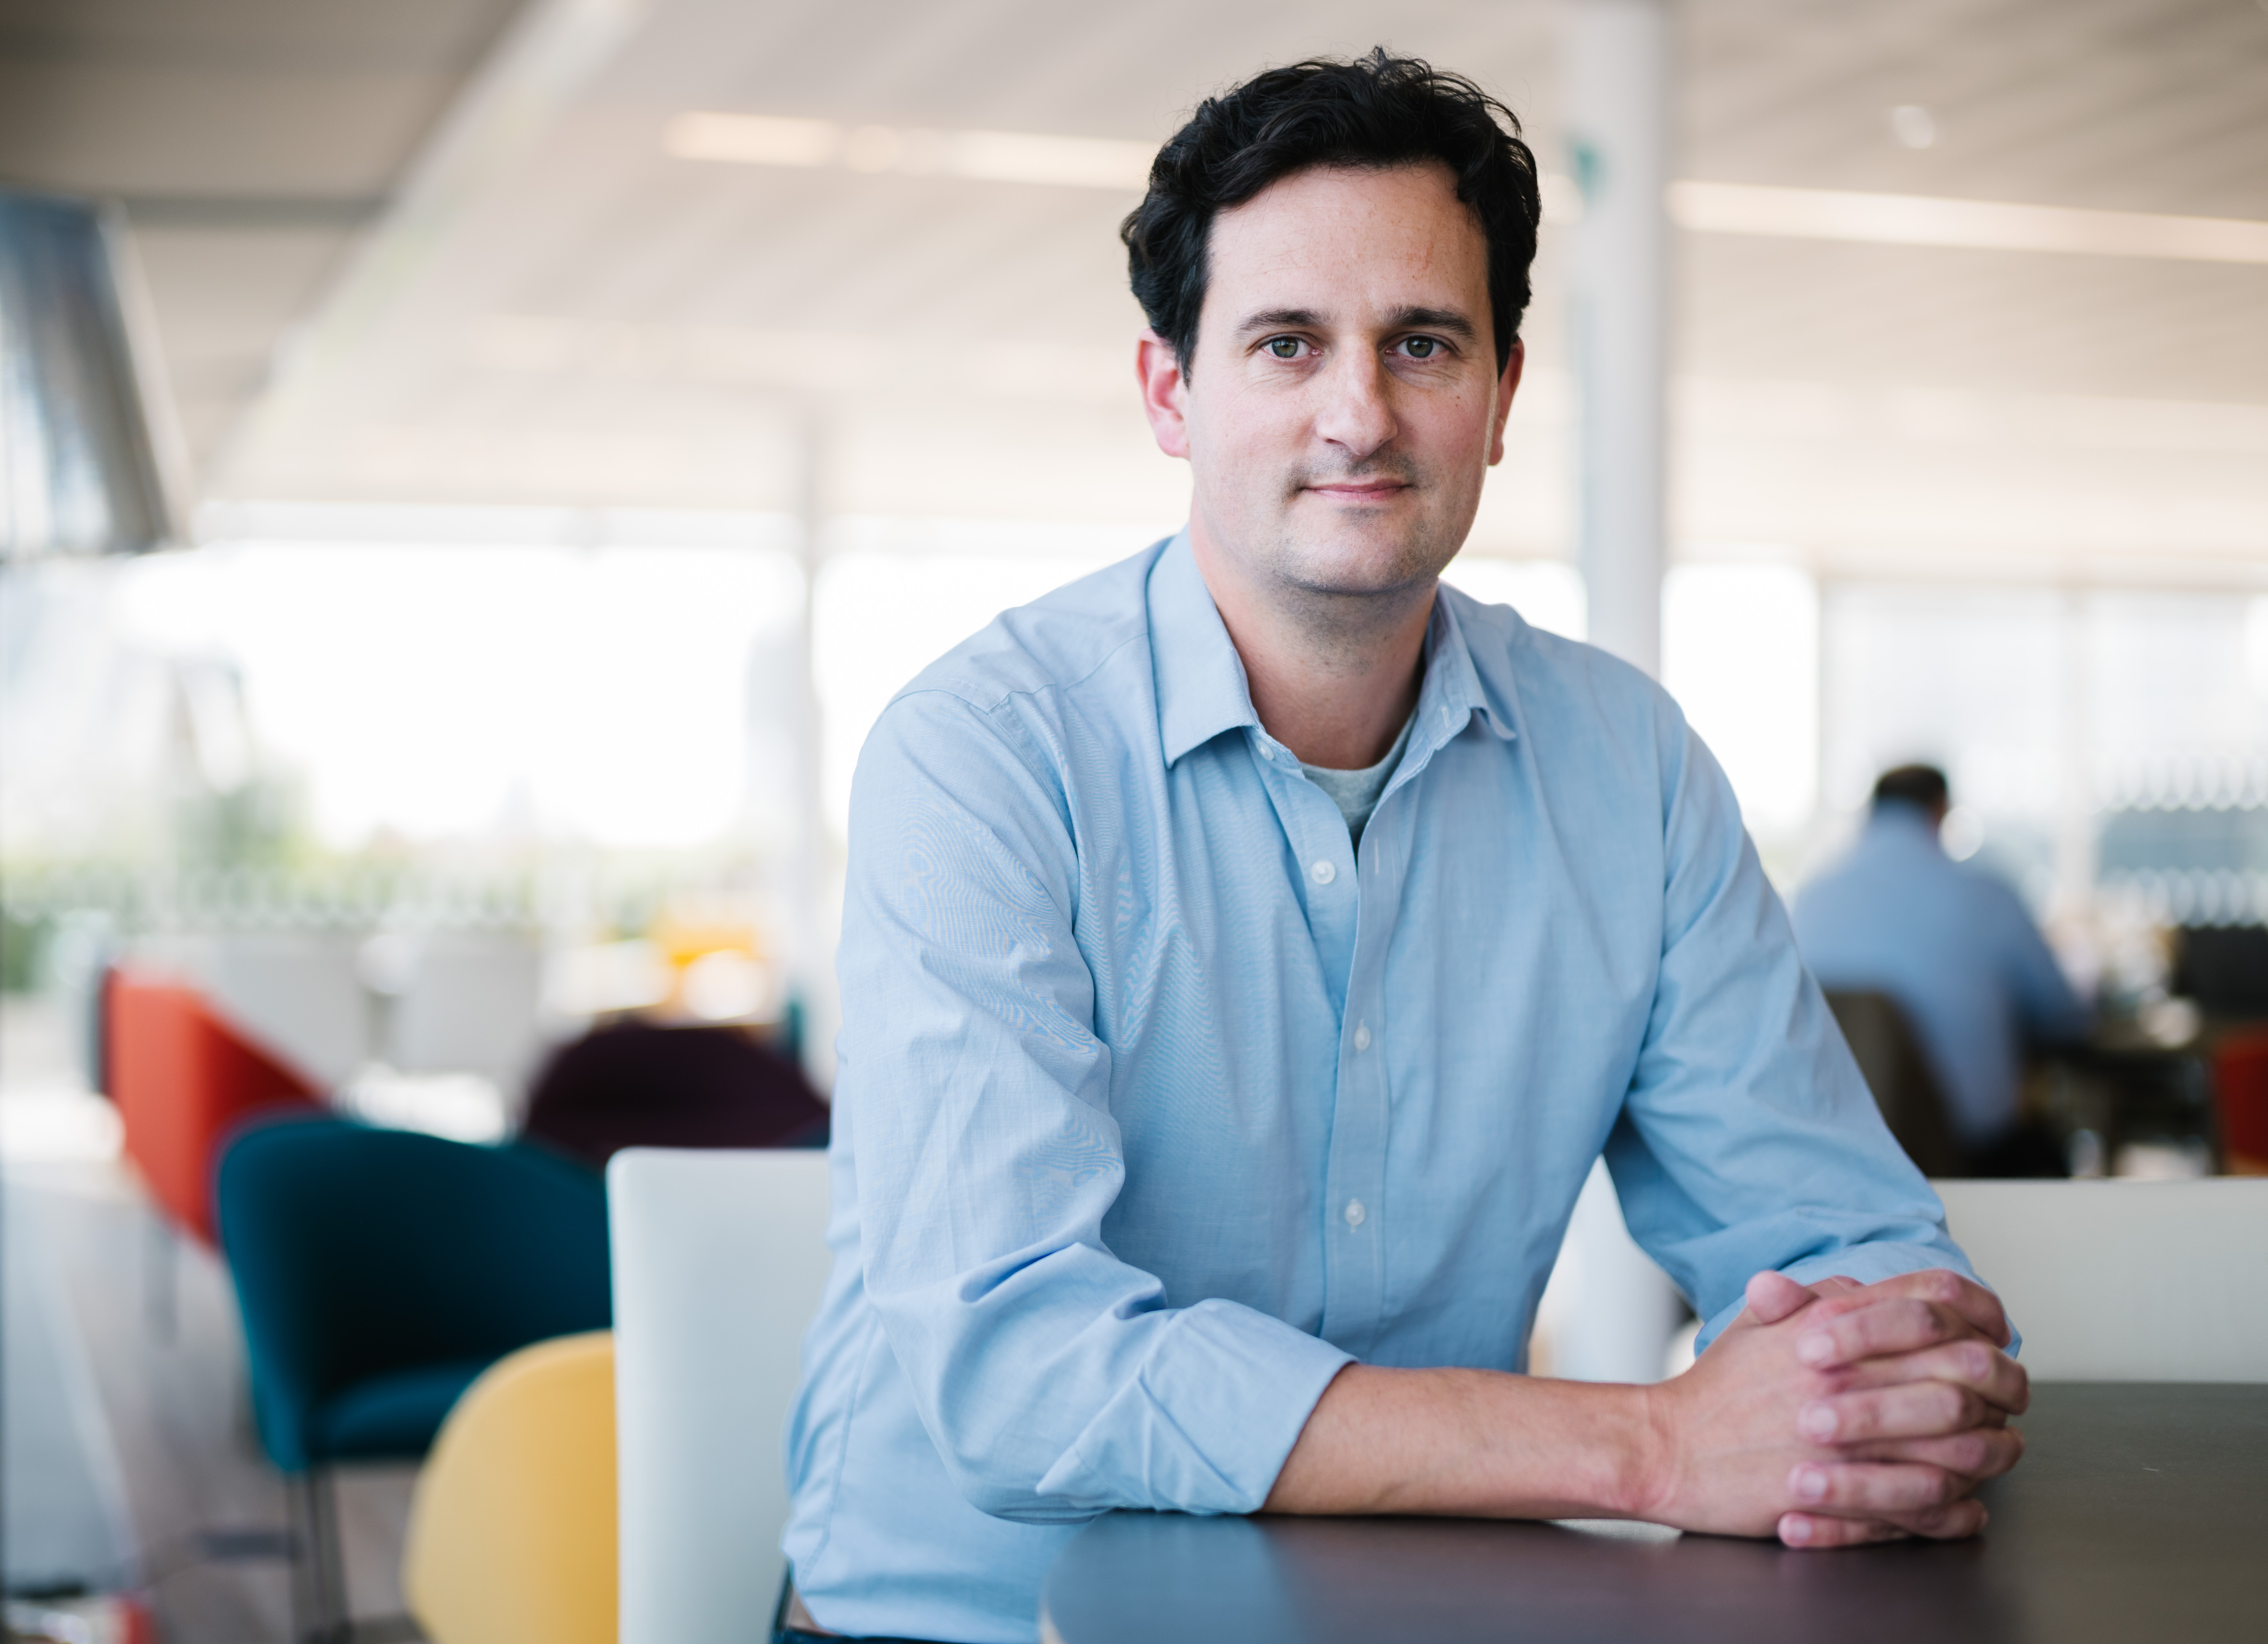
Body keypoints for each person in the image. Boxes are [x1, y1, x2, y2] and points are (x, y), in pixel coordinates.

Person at [780, 53, 2026, 1644]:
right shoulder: (985, 755)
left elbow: (1850, 1243)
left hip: (1420, 1611)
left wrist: (1870, 1390)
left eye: (1422, 343)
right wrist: (1652, 1442)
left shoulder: (1628, 769)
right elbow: (1019, 1376)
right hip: (964, 1625)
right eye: (1285, 343)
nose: (1358, 414)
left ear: (1500, 396)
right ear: (1170, 394)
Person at [1793, 764, 2089, 1177]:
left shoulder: (1809, 900)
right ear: (1941, 810)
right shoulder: (1986, 895)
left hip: (1839, 1162)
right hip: (1969, 1162)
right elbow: (2064, 1017)